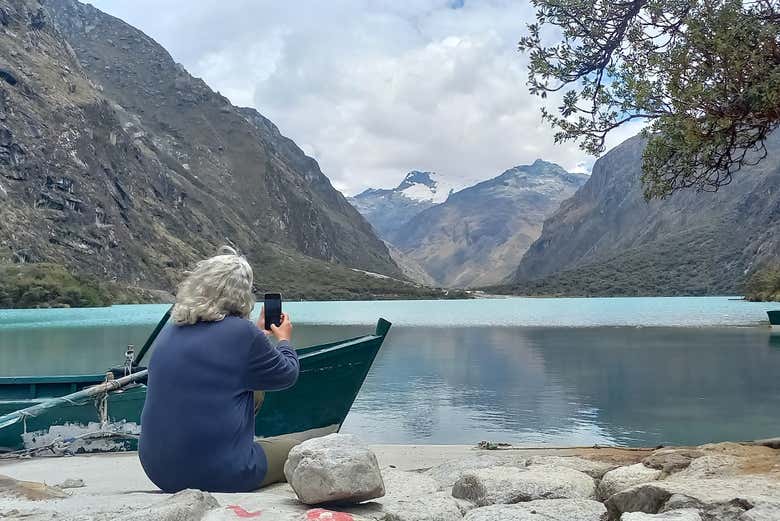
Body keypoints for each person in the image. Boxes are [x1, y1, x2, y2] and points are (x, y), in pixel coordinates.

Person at [139, 246, 301, 493]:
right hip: (221, 473)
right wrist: (284, 340)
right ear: (242, 293)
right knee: (296, 451)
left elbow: (221, 353)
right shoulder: (243, 334)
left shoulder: (171, 329)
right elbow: (288, 373)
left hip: (159, 471)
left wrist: (255, 334)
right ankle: (235, 452)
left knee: (252, 389)